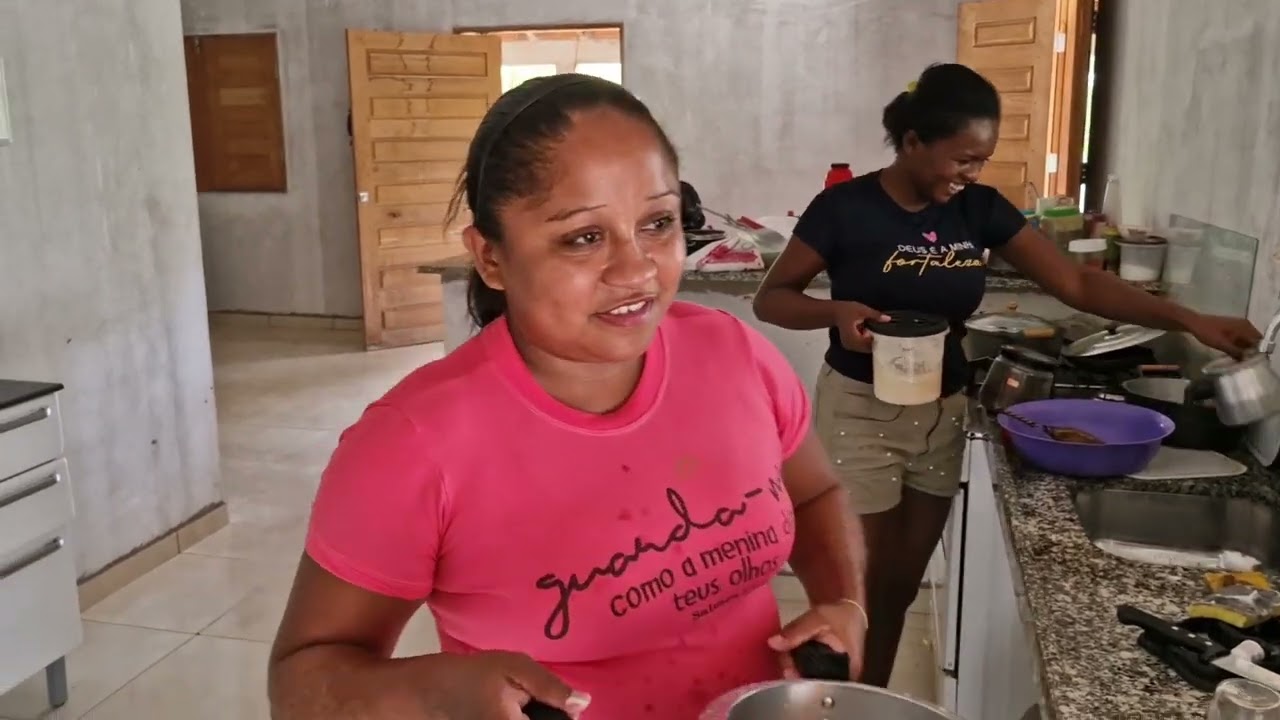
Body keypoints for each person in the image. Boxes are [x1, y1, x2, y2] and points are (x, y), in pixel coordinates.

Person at [267, 74, 869, 720]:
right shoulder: (414, 444)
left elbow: (815, 493)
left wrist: (845, 604)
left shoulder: (734, 355)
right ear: (490, 258)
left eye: (658, 223)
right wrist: (438, 692)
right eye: (584, 237)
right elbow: (301, 681)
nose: (636, 269)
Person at [751, 62, 1261, 688]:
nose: (971, 175)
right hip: (860, 409)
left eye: (981, 161)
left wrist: (1189, 319)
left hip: (942, 411)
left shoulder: (980, 210)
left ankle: (869, 698)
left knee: (900, 585)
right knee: (853, 590)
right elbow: (771, 297)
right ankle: (838, 700)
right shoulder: (843, 209)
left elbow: (1075, 282)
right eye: (962, 159)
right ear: (913, 142)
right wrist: (836, 311)